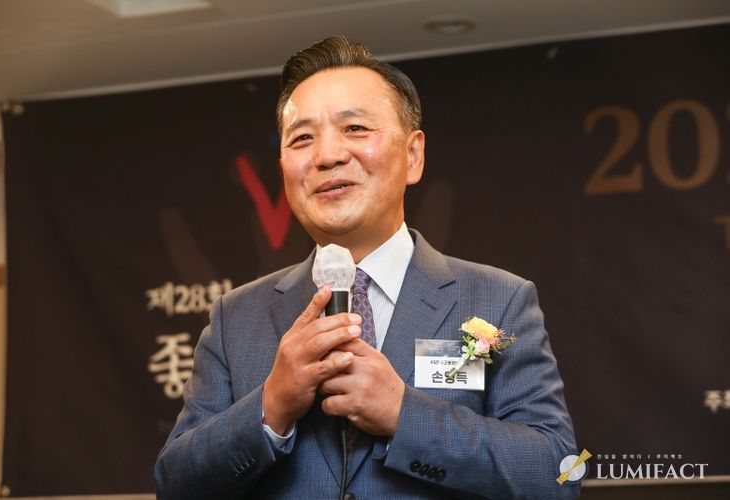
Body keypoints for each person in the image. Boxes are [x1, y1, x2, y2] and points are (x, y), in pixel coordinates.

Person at [155, 36, 578, 499]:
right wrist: (271, 405)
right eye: (302, 138)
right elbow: (175, 486)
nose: (327, 155)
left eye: (355, 128)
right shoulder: (235, 317)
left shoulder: (498, 302)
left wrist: (404, 414)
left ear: (413, 156)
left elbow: (558, 473)